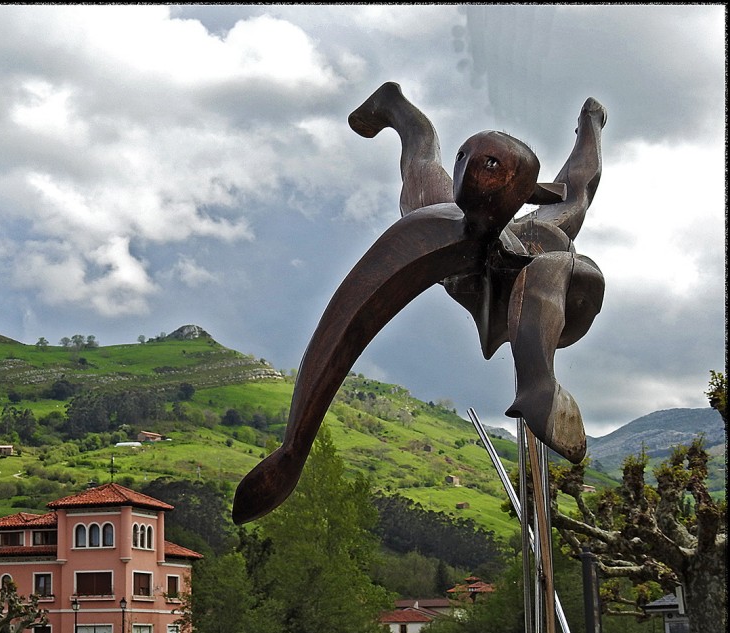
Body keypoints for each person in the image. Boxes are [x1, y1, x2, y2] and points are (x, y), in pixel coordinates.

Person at [232, 83, 606, 525]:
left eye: (492, 167)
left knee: (558, 249)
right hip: (454, 254)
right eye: (468, 159)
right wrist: (294, 447)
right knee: (421, 158)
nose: (474, 171)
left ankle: (539, 385)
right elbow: (343, 327)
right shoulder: (429, 229)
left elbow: (579, 182)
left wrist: (590, 127)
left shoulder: (547, 238)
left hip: (547, 285)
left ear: (524, 192)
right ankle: (394, 105)